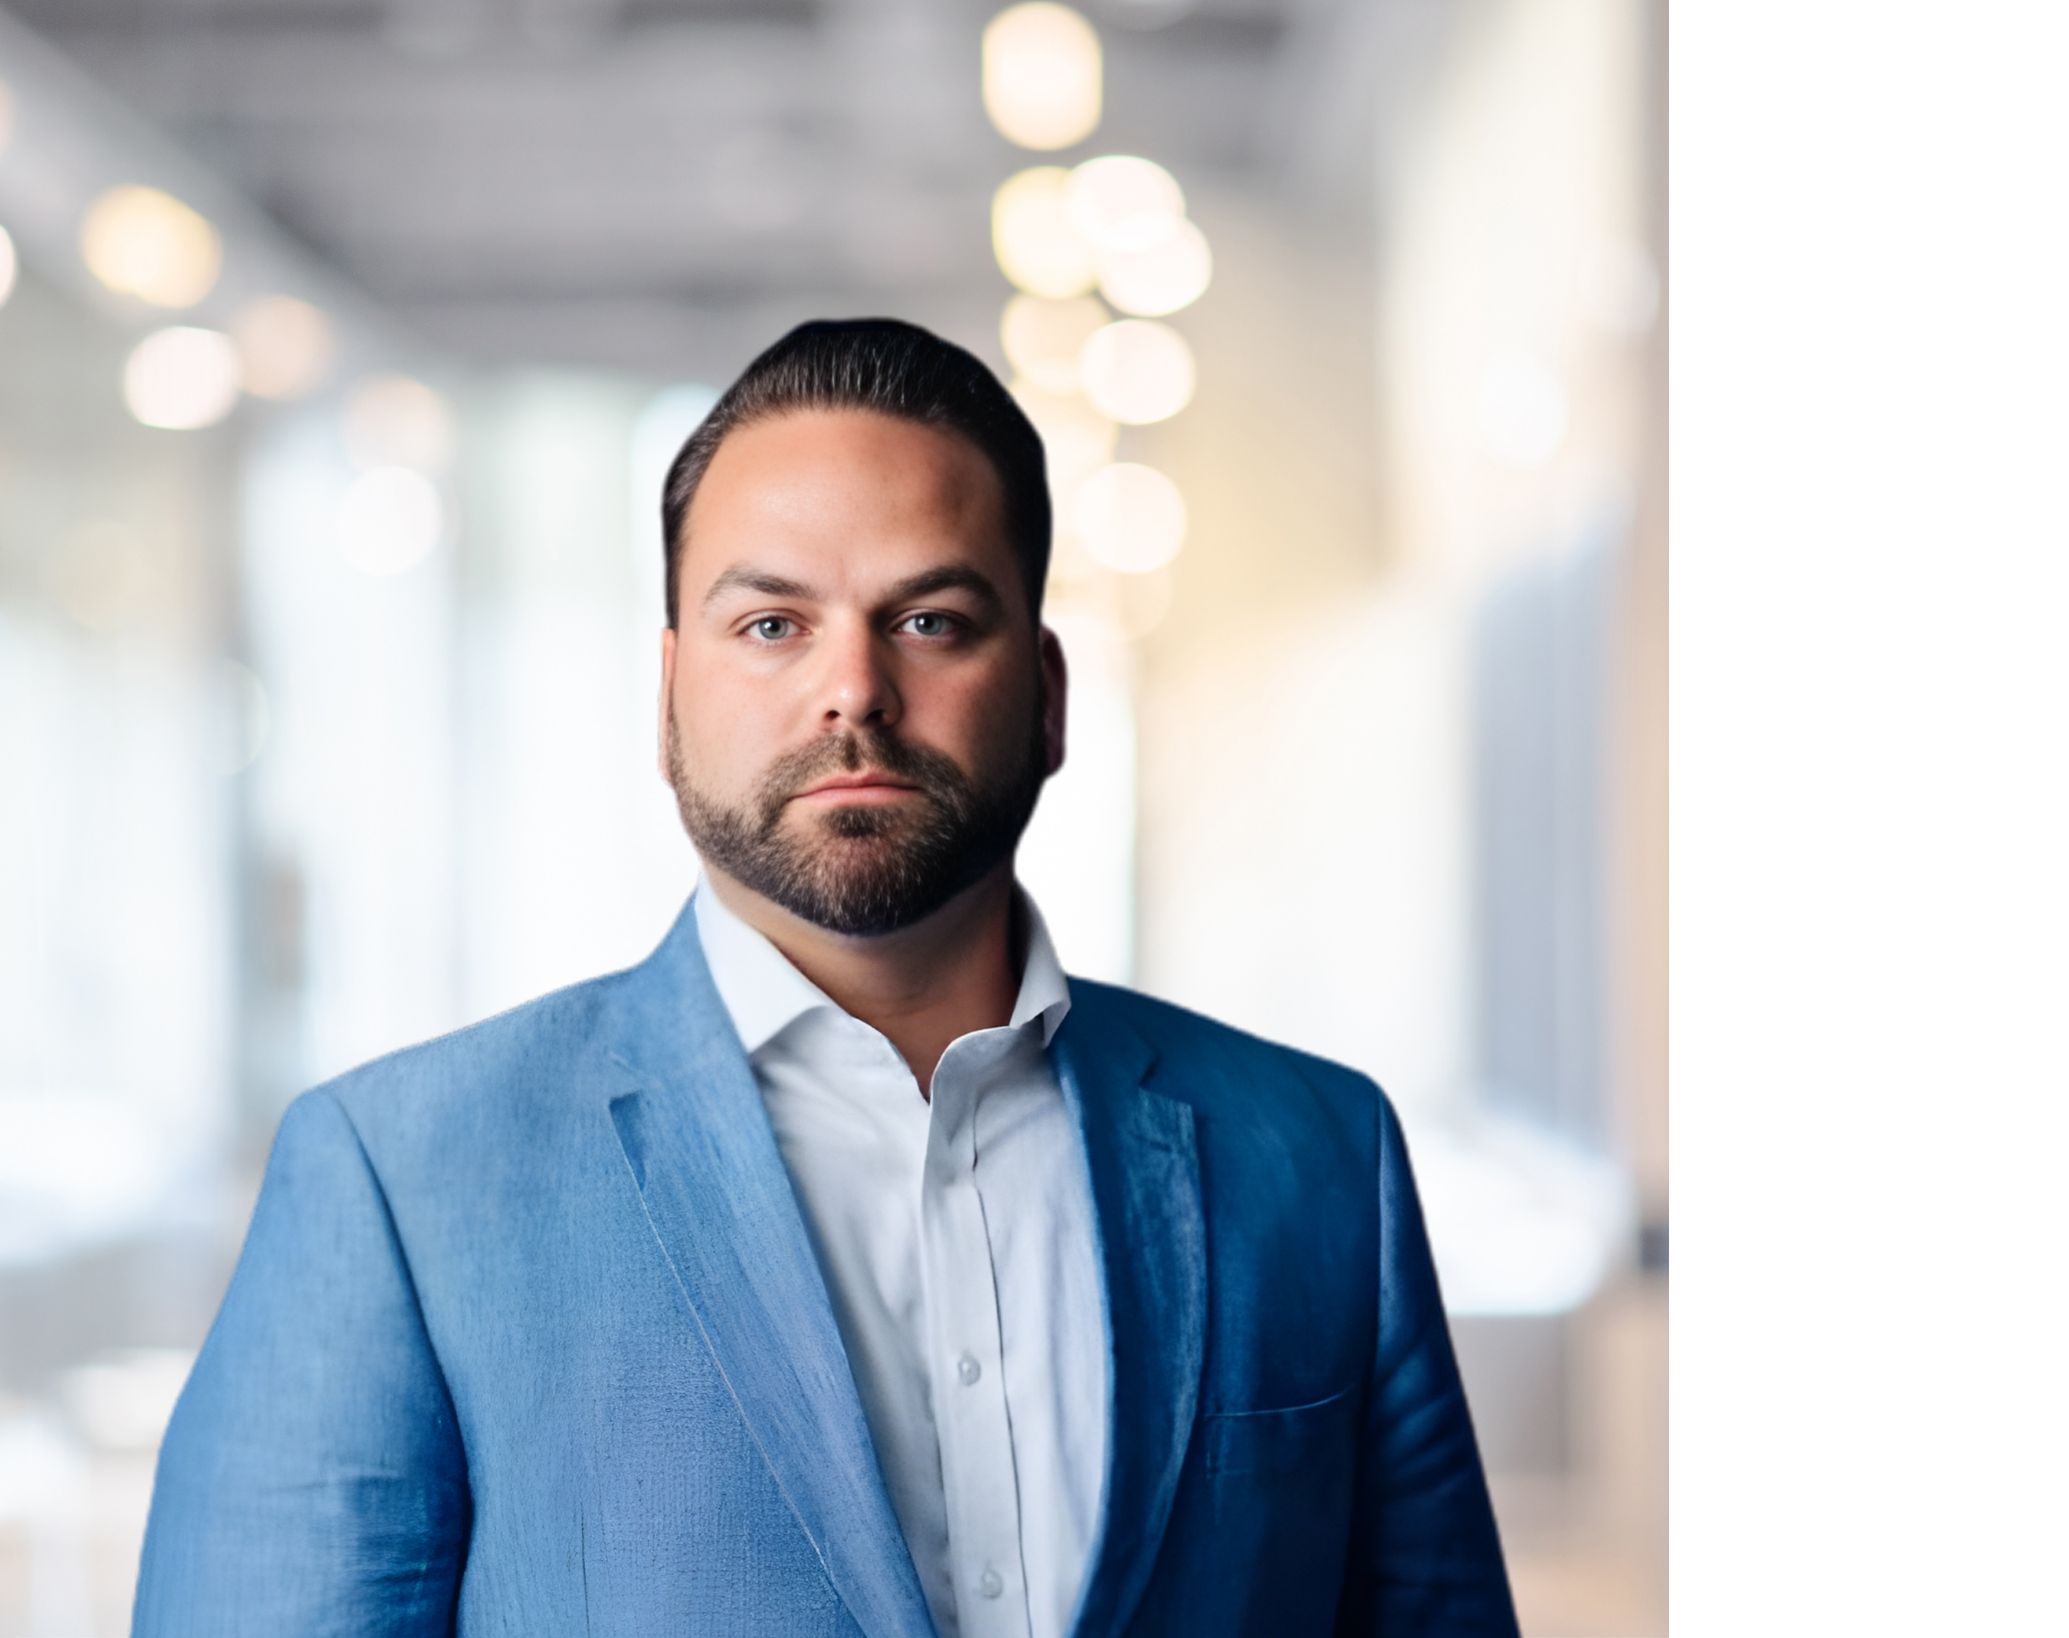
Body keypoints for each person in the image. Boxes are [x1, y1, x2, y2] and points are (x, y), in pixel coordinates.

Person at [134, 319, 1520, 1638]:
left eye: (928, 620)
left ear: (1045, 696)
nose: (851, 689)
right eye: (772, 625)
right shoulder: (403, 1179)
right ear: (667, 695)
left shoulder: (1320, 1156)